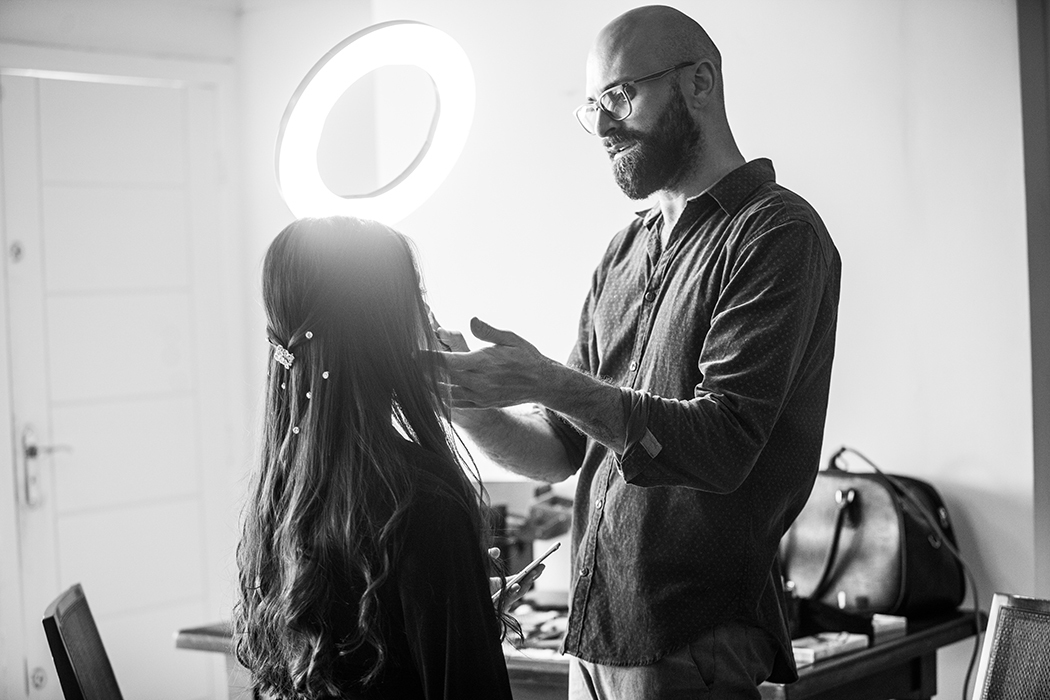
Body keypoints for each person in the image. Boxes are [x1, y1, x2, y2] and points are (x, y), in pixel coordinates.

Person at [436, 5, 841, 699]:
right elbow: (564, 448)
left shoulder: (777, 234)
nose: (601, 125)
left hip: (693, 639)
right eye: (592, 106)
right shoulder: (624, 252)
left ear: (699, 83)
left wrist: (547, 380)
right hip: (595, 637)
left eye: (620, 96)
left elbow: (722, 444)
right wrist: (465, 401)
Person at [233, 216, 535, 700]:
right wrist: (464, 629)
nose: (429, 317)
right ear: (381, 328)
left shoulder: (281, 486)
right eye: (416, 297)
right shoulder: (422, 500)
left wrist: (460, 616)